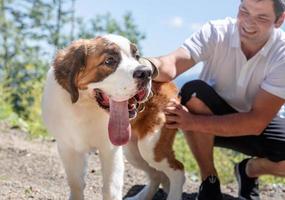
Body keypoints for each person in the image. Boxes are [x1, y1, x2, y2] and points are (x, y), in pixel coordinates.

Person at [143, 0, 285, 199]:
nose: (248, 23)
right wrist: (144, 65)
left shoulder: (282, 53)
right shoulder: (216, 31)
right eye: (244, 11)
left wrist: (192, 122)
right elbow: (172, 64)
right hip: (207, 116)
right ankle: (209, 179)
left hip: (254, 125)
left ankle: (249, 170)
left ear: (279, 20)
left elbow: (256, 122)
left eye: (261, 17)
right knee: (193, 91)